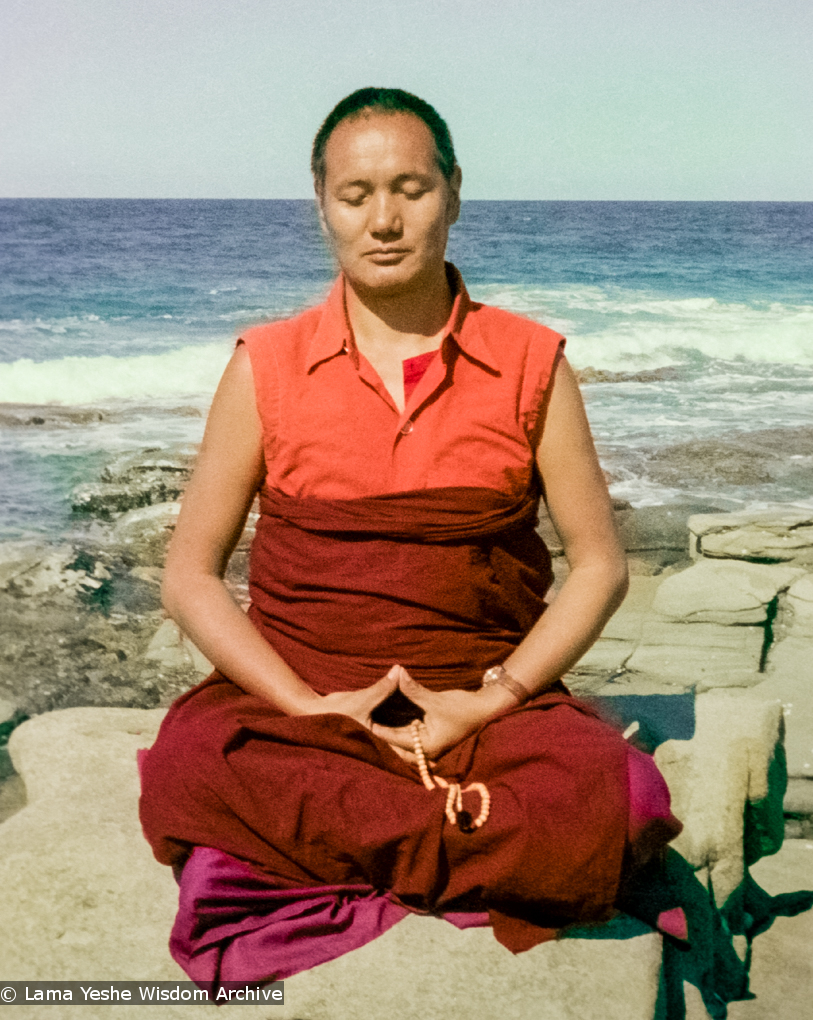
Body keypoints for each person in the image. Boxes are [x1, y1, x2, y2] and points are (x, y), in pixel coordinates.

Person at [138, 87, 681, 986]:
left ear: (454, 193)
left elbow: (599, 564)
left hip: (477, 702)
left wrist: (491, 699)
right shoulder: (264, 365)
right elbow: (190, 576)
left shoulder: (530, 361)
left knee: (621, 798)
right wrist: (304, 704)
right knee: (191, 766)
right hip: (305, 704)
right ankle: (455, 845)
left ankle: (344, 850)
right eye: (356, 195)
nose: (384, 220)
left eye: (411, 188)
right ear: (321, 204)